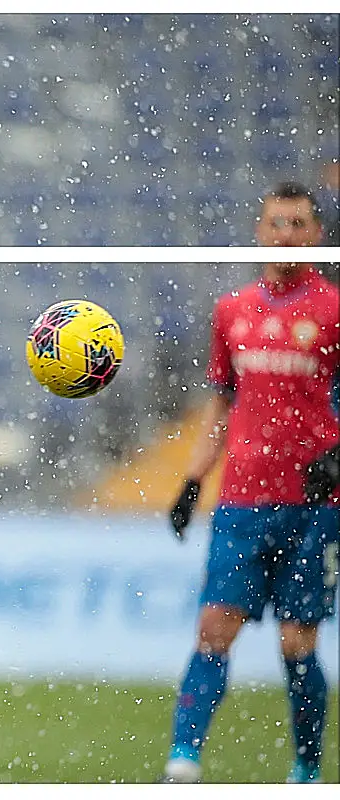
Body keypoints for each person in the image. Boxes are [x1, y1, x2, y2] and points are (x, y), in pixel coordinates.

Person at [161, 181, 340, 785]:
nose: (285, 234)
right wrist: (191, 482)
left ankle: (307, 768)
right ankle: (182, 763)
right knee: (214, 628)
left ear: (315, 234)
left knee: (298, 643)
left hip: (314, 508)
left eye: (297, 224)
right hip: (241, 500)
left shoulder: (333, 311)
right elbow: (221, 404)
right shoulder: (232, 311)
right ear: (260, 231)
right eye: (274, 223)